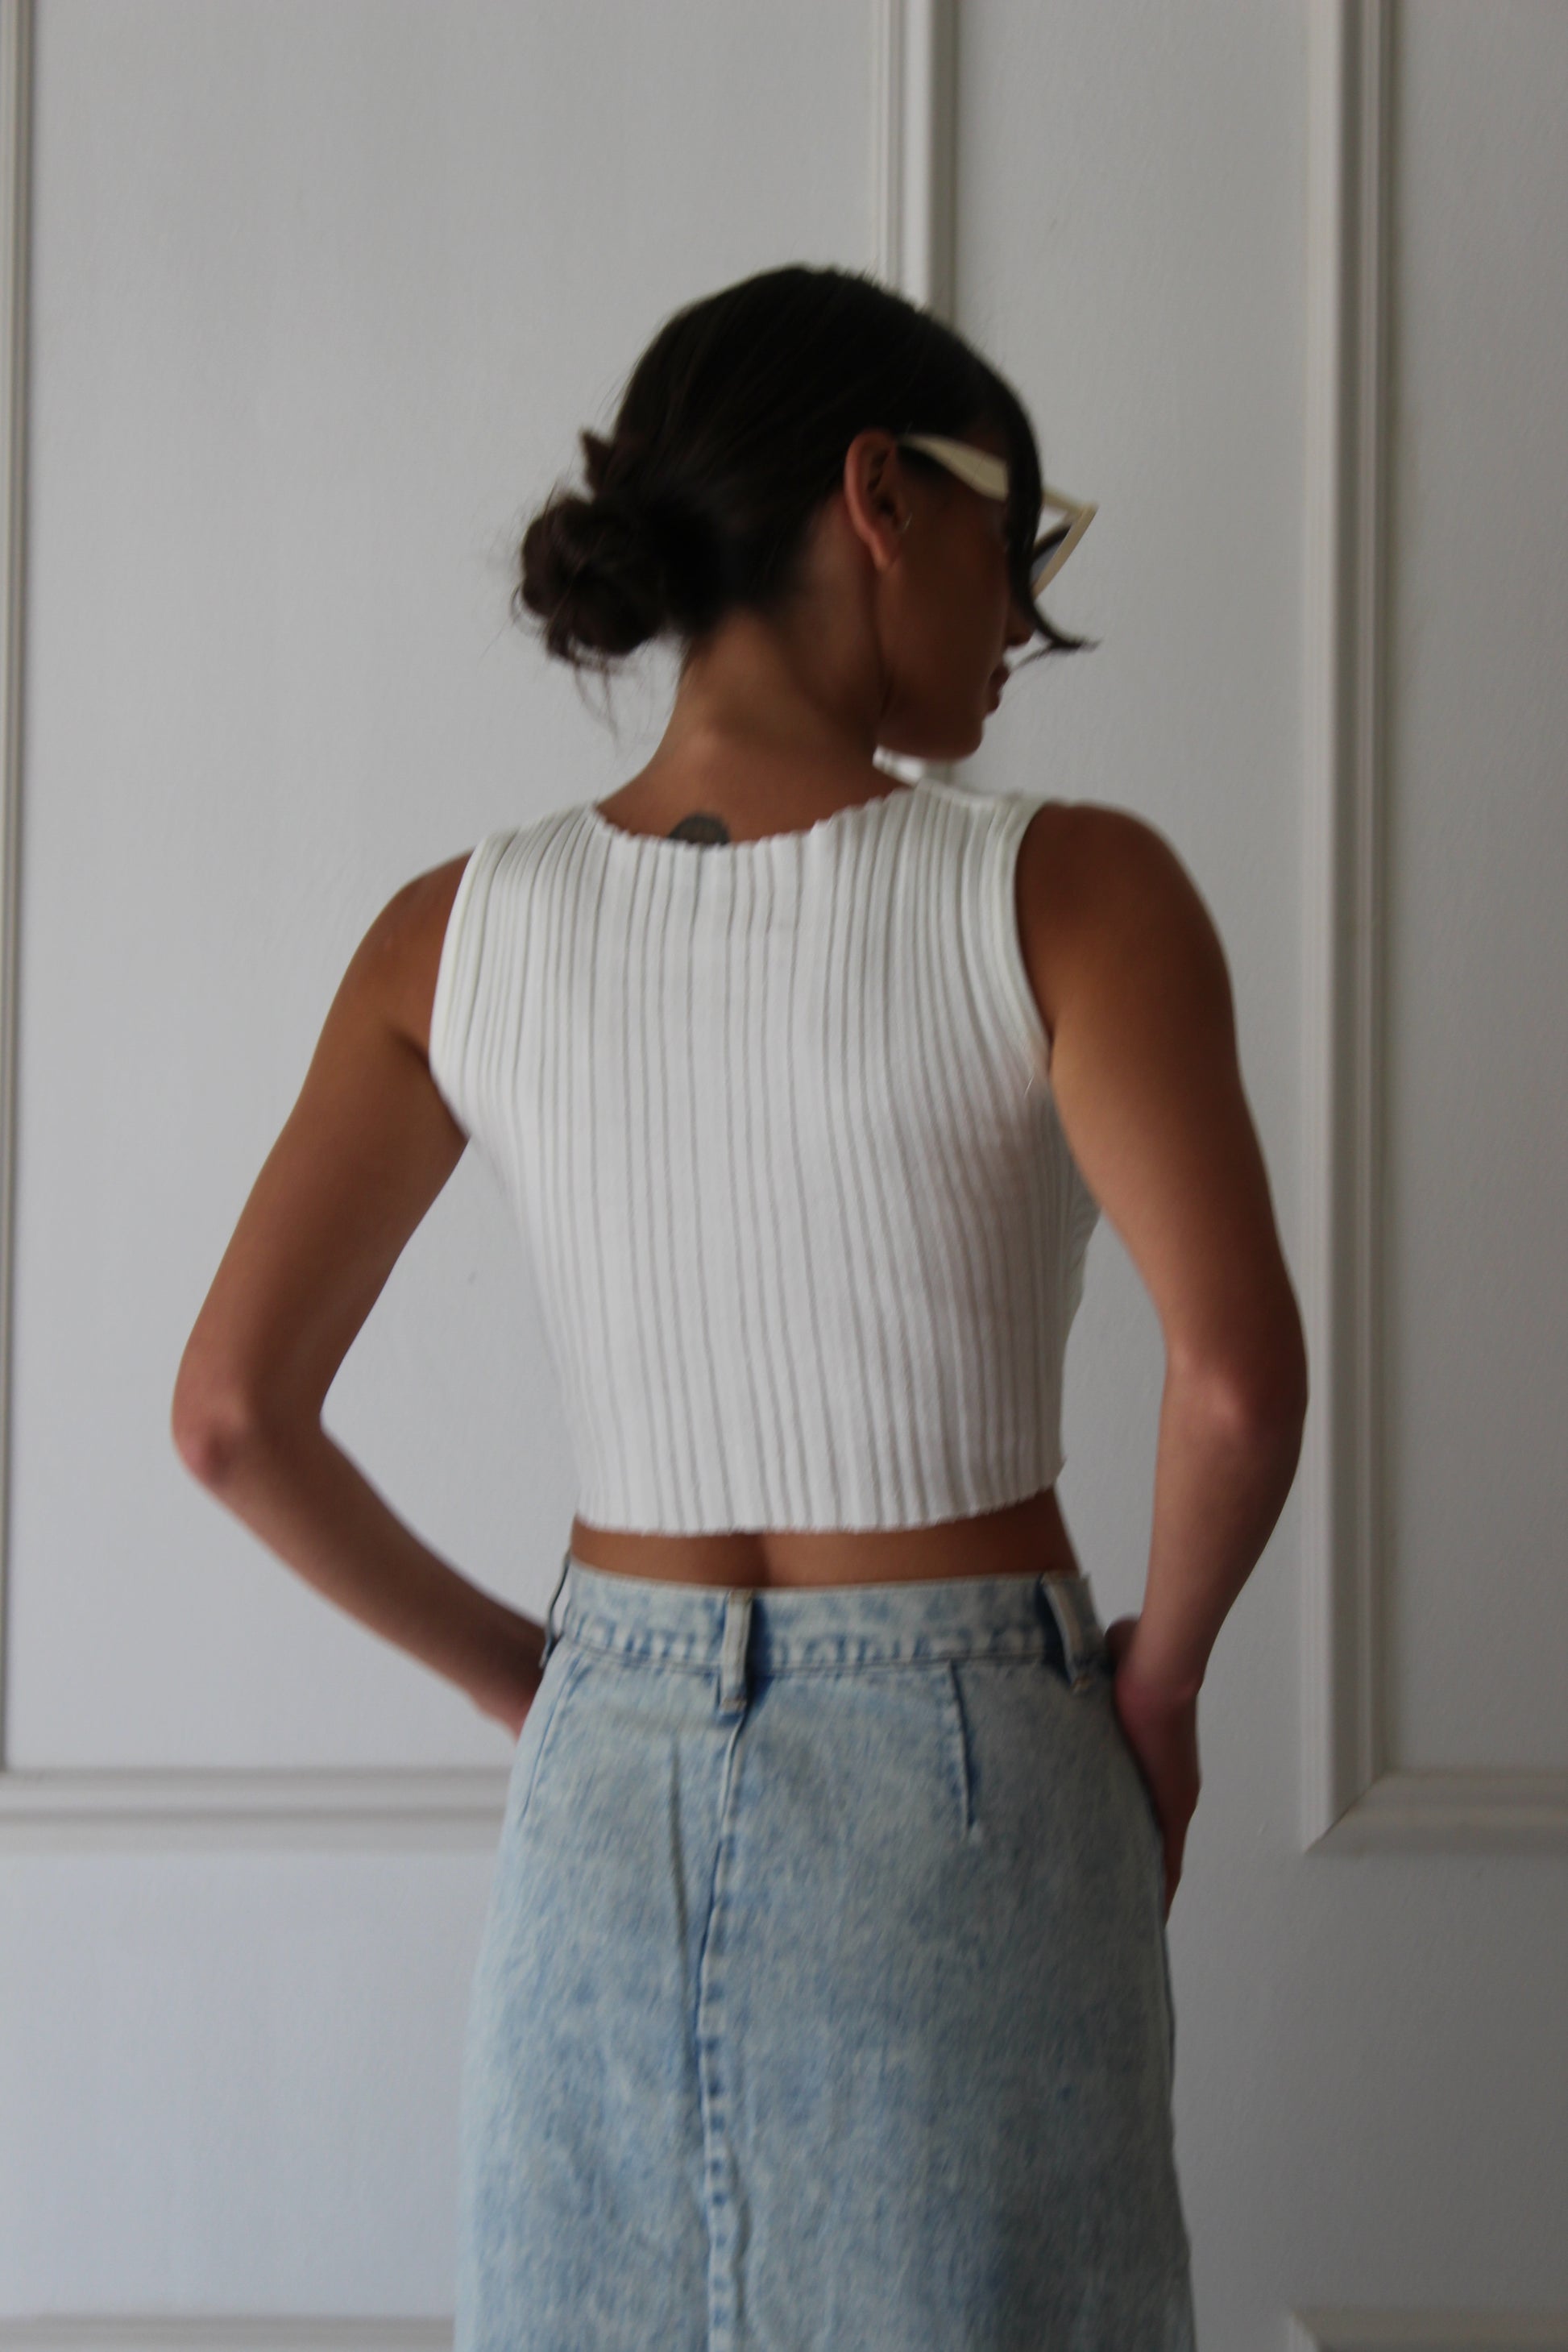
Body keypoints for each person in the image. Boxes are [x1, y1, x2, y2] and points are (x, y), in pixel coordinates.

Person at [172, 262, 1307, 2350]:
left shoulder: (453, 933)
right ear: (882, 496)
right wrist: (1155, 1697)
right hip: (975, 1772)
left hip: (606, 1792)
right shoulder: (1068, 891)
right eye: (1016, 534)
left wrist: (551, 1688)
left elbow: (232, 1415)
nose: (1022, 615)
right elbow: (1233, 1385)